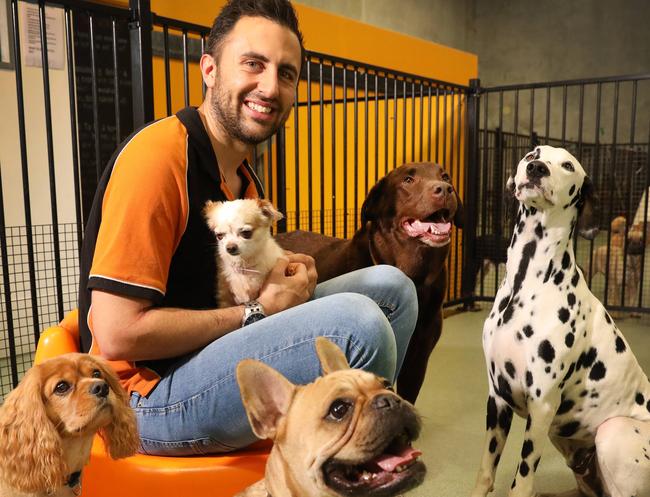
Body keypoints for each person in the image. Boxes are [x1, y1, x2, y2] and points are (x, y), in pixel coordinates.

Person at [78, 0, 418, 456]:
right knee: (358, 324)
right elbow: (118, 332)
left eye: (287, 73)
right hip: (140, 399)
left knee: (392, 288)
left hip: (207, 356)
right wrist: (258, 312)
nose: (270, 86)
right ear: (210, 69)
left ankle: (353, 447)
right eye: (253, 64)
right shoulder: (157, 160)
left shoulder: (245, 179)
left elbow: (239, 283)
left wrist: (285, 276)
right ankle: (351, 463)